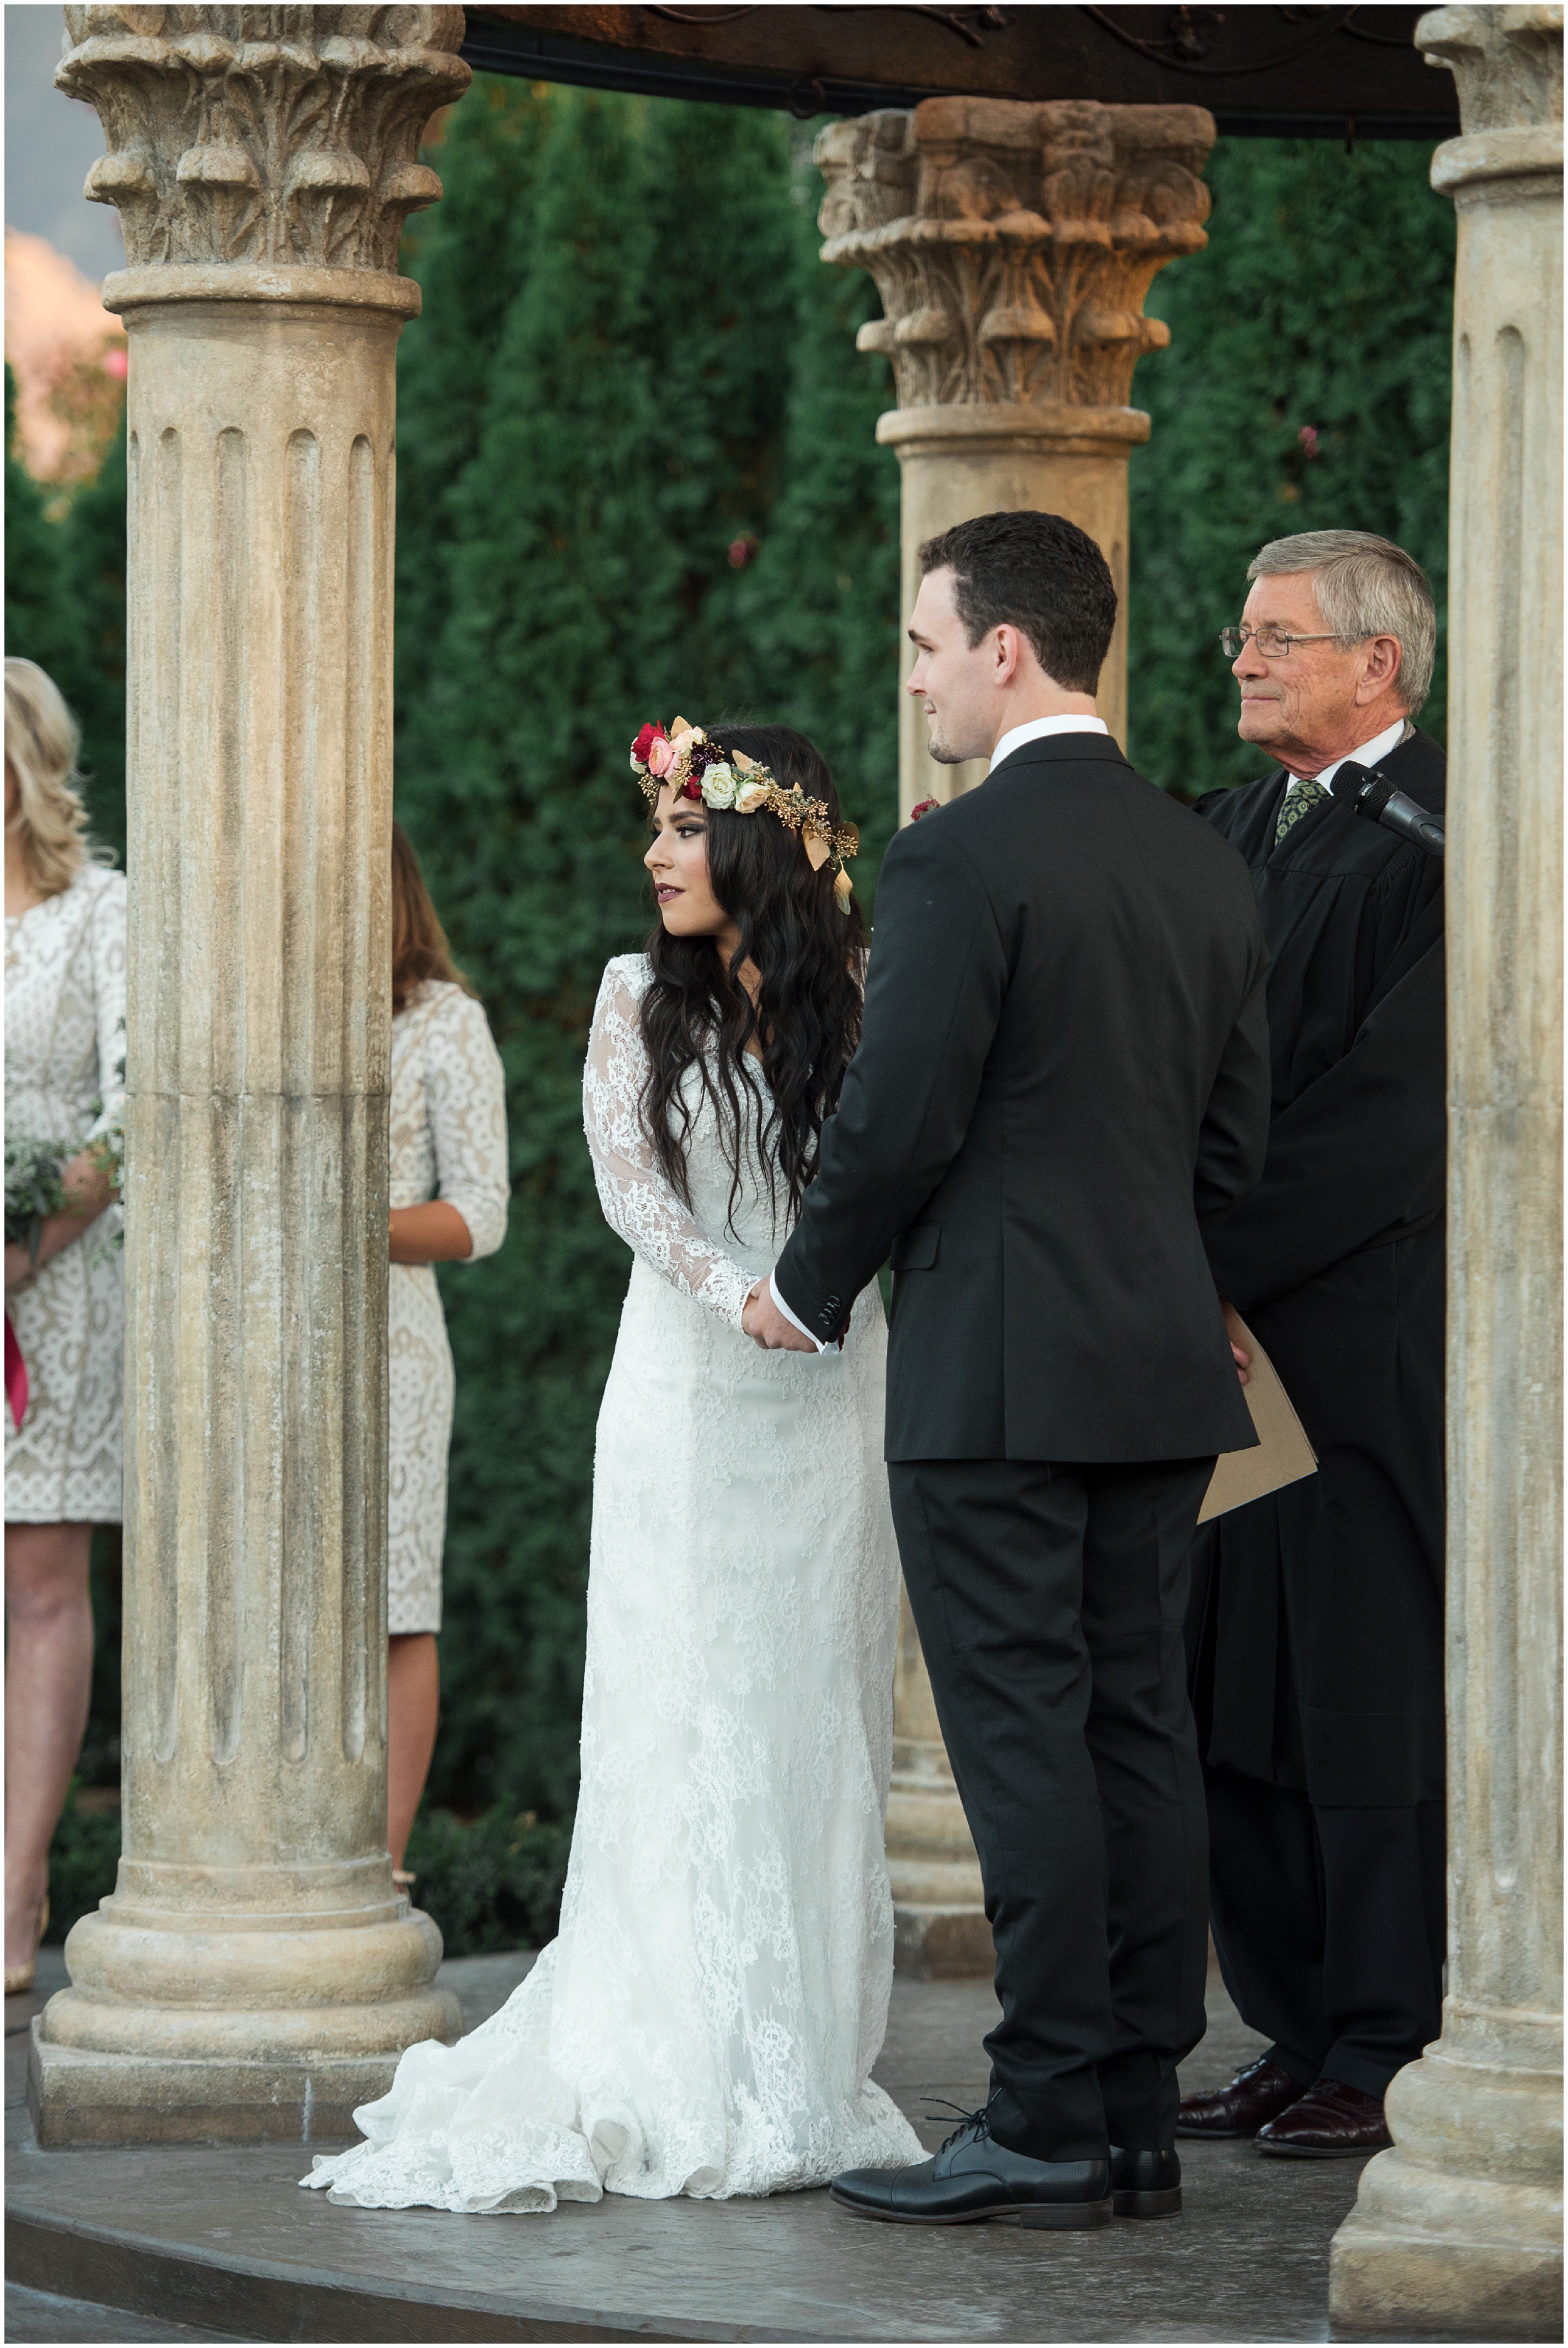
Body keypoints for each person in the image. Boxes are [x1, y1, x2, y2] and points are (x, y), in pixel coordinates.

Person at [303, 724, 922, 2214]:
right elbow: (626, 1193)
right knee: (686, 1703)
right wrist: (741, 1299)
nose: (652, 852)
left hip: (836, 1391)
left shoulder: (863, 994)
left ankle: (805, 2057)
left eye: (681, 824)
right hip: (690, 1394)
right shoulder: (634, 995)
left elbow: (894, 1164)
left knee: (813, 1702)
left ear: (765, 844)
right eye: (649, 823)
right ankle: (679, 2046)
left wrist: (814, 1300)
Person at [747, 511, 1273, 2231]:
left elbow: (897, 1121)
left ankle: (1044, 2111)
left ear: (1003, 650)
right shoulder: (1205, 854)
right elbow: (1231, 1146)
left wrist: (804, 1289)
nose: (910, 676)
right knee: (1135, 1724)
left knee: (1024, 1740)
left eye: (922, 643)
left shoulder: (958, 860)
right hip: (1151, 1368)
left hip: (992, 1375)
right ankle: (1129, 2109)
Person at [1177, 530, 1446, 2159]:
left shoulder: (1441, 846)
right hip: (1206, 1335)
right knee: (1229, 1681)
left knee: (1356, 1692)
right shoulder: (1222, 832)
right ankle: (1287, 2022)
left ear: (1377, 664)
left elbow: (1388, 1119)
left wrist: (1199, 1260)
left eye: (1278, 636)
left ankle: (1386, 2028)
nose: (1244, 658)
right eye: (1239, 635)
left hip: (1353, 1336)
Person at [4, 659, 125, 1994]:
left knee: (39, 1585)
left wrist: (16, 1252)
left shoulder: (105, 913)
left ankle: (17, 1888)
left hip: (65, 1282)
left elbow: (134, 1106)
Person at [383, 824, 511, 1883]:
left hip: (393, 1354)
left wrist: (350, 1221)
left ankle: (379, 1865)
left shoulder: (443, 1022)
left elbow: (483, 1214)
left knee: (393, 1604)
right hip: (256, 1350)